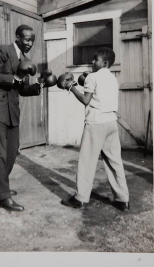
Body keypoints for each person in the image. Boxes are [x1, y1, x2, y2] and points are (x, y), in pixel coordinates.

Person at [0, 25, 44, 212]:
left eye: (32, 40)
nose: (29, 43)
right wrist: (15, 77)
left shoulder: (24, 60)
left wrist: (38, 86)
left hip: (12, 110)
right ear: (17, 37)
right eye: (26, 39)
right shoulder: (2, 50)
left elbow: (22, 89)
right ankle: (1, 197)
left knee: (11, 151)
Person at [60, 47, 129, 211]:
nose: (92, 62)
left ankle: (81, 199)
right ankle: (122, 199)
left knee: (87, 161)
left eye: (95, 59)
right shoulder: (113, 78)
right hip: (111, 122)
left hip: (96, 123)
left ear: (104, 62)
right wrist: (79, 83)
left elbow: (86, 100)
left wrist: (71, 87)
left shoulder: (92, 77)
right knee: (114, 161)